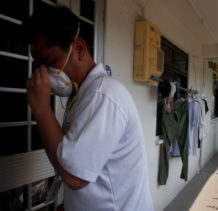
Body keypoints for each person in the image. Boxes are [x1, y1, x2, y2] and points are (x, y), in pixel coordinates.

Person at [24, 6, 153, 211]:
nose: (46, 75)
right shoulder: (84, 96)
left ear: (80, 48)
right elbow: (84, 163)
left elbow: (74, 176)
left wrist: (41, 109)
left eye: (50, 63)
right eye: (40, 67)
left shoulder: (103, 95)